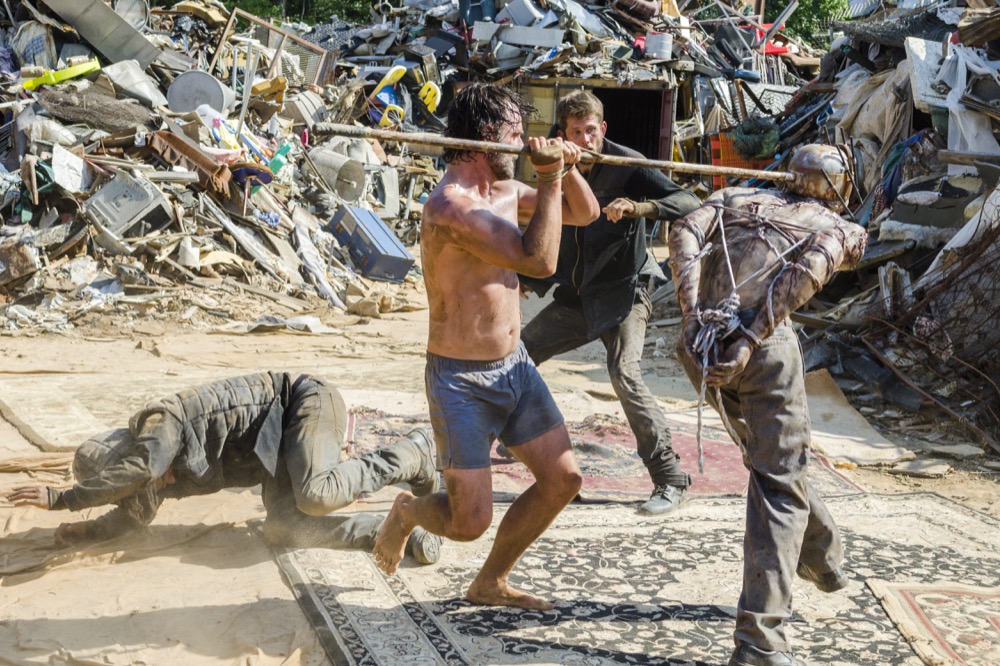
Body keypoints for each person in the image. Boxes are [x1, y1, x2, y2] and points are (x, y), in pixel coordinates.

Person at [371, 83, 600, 610]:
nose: (523, 146)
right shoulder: (449, 208)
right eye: (515, 137)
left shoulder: (503, 191)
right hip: (460, 381)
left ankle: (489, 582)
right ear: (482, 140)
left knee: (564, 478)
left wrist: (566, 166)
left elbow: (583, 214)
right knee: (469, 521)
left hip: (513, 368)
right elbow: (539, 261)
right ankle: (406, 512)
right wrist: (547, 176)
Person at [666, 144, 868, 666]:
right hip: (756, 349)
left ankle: (824, 559)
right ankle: (760, 644)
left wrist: (693, 320)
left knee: (776, 465)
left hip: (703, 347)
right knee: (778, 482)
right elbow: (812, 268)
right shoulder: (839, 225)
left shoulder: (735, 196)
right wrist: (750, 338)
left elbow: (683, 230)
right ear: (840, 186)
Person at [8, 371, 442, 564]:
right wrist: (88, 530)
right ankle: (393, 528)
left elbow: (141, 470)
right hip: (276, 456)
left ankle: (414, 451)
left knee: (315, 493)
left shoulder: (162, 424)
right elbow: (134, 515)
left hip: (305, 403)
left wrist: (62, 500)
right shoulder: (151, 477)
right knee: (285, 529)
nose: (163, 482)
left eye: (147, 476)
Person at [519, 90, 702, 515]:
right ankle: (522, 441)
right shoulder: (553, 162)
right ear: (561, 133)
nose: (584, 141)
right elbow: (551, 227)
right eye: (575, 133)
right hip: (580, 294)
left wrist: (640, 207)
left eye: (591, 131)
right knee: (519, 356)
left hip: (625, 291)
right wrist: (526, 276)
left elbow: (688, 202)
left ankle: (670, 477)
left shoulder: (625, 162)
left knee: (624, 372)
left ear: (603, 129)